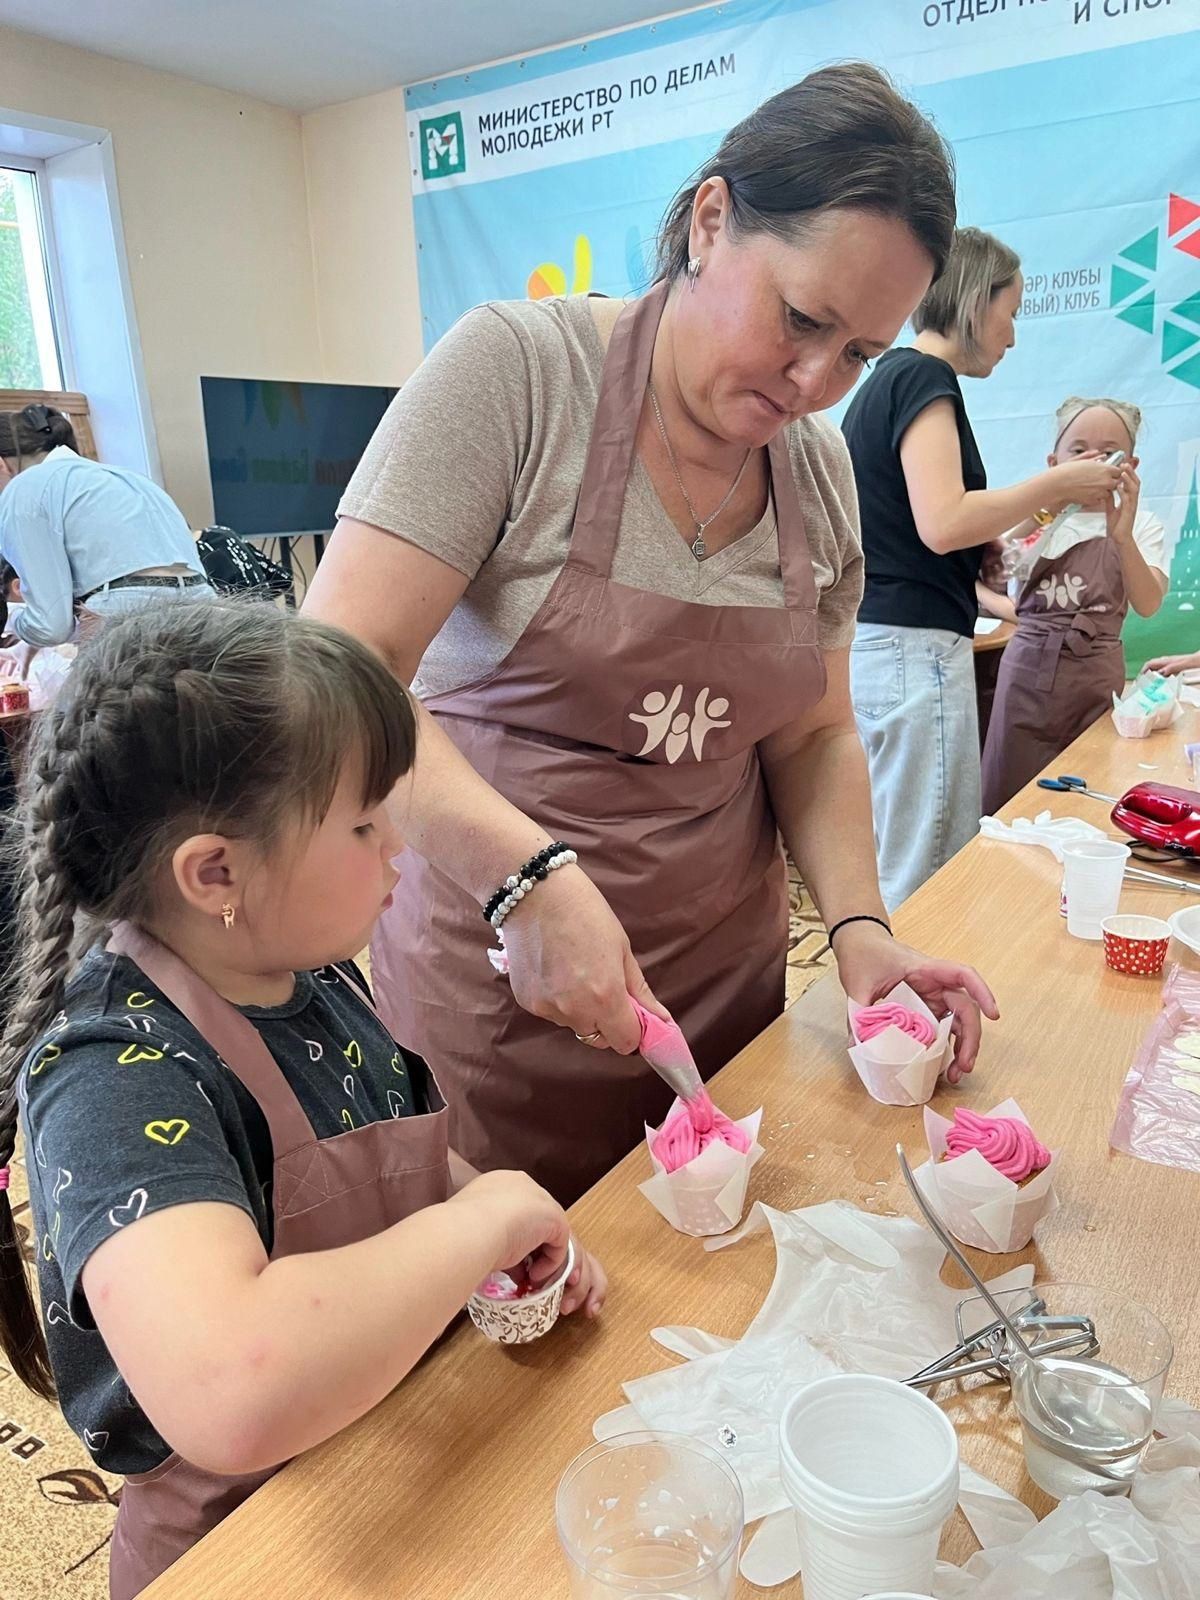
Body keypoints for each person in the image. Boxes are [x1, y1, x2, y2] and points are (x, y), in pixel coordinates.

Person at [304, 62, 999, 1207]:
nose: (817, 381)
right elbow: (340, 674)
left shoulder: (817, 475)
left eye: (860, 355)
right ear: (712, 221)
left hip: (721, 1000)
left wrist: (864, 927)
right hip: (500, 997)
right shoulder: (520, 379)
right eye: (802, 319)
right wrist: (525, 879)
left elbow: (815, 736)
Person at [0, 600, 604, 1599]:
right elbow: (232, 1387)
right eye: (365, 823)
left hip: (393, 1464)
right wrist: (485, 1217)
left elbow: (383, 1139)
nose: (397, 849)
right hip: (258, 1546)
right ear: (217, 871)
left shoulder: (302, 969)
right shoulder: (109, 1071)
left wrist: (482, 1223)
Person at [842, 227, 1126, 910]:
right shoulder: (922, 377)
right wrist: (1056, 488)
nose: (1013, 336)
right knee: (928, 867)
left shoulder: (890, 382)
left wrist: (987, 542)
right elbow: (942, 521)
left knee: (903, 851)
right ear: (976, 300)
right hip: (914, 651)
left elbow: (923, 525)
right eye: (1012, 311)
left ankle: (896, 1011)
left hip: (884, 645)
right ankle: (904, 1015)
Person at [980, 397, 1167, 813]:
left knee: (1087, 793)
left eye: (1108, 451)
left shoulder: (1143, 526)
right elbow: (993, 571)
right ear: (1054, 462)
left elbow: (1149, 602)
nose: (1092, 460)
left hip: (1096, 682)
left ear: (1130, 466)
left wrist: (1123, 536)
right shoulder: (1038, 522)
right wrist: (1046, 507)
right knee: (1009, 797)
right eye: (1079, 450)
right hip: (1026, 678)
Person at [0, 405, 213, 648]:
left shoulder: (25, 488)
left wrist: (13, 619)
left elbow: (50, 627)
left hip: (127, 621)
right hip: (205, 612)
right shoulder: (129, 477)